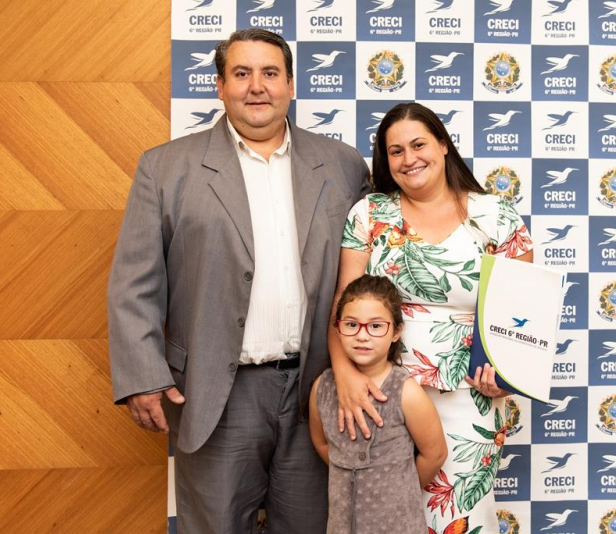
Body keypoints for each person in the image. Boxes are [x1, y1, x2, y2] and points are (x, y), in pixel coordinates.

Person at [107, 28, 371, 533]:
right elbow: (134, 284)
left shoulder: (342, 165)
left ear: (291, 84)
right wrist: (142, 374)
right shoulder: (165, 168)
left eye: (270, 73)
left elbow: (376, 272)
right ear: (220, 85)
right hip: (217, 395)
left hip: (319, 389)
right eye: (242, 73)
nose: (257, 86)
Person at [329, 102, 534, 532]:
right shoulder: (369, 215)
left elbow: (522, 313)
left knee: (461, 517)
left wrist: (509, 375)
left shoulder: (496, 216)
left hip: (472, 395)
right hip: (382, 394)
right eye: (396, 151)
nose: (409, 159)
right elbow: (343, 306)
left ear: (443, 145)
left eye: (418, 144)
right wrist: (345, 375)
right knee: (383, 516)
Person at [309, 275, 447, 534]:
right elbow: (322, 443)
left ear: (396, 332)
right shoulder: (322, 388)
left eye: (375, 326)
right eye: (351, 324)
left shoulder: (406, 392)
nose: (362, 336)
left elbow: (435, 454)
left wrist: (399, 488)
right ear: (337, 328)